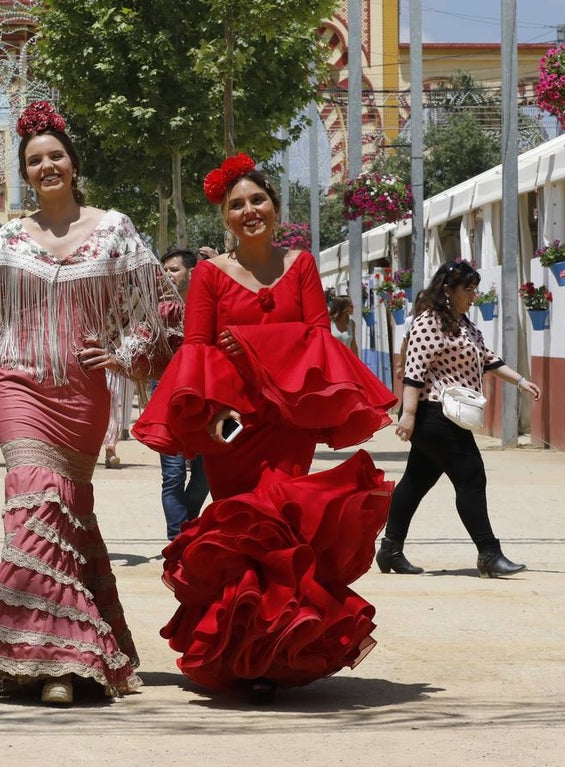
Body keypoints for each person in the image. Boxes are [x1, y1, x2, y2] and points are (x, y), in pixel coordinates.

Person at [134, 154, 398, 701]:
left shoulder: (301, 266)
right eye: (237, 205)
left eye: (258, 200)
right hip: (230, 426)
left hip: (288, 423)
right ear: (224, 217)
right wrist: (214, 417)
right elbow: (199, 350)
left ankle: (277, 649)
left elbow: (319, 340)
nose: (249, 211)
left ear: (276, 207)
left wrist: (255, 347)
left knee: (284, 528)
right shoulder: (208, 274)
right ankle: (245, 654)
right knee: (240, 528)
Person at [0, 101, 180, 705]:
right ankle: (56, 665)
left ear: (73, 164)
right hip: (20, 388)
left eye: (56, 156)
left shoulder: (116, 229)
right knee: (35, 512)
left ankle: (32, 655)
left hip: (82, 397)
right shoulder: (8, 237)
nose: (47, 166)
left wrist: (125, 353)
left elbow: (154, 301)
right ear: (24, 174)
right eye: (34, 161)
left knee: (66, 521)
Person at [382, 260, 540, 578]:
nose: (472, 295)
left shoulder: (462, 323)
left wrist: (521, 381)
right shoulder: (429, 322)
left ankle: (389, 550)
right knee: (471, 476)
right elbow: (414, 371)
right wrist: (408, 415)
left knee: (415, 482)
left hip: (446, 416)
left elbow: (487, 357)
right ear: (447, 290)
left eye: (474, 289)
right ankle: (489, 553)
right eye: (467, 289)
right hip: (432, 414)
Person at [157, 247, 209, 538]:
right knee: (173, 475)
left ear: (192, 272)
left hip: (209, 400)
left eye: (173, 270)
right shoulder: (160, 312)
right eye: (164, 270)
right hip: (167, 396)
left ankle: (186, 527)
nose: (167, 276)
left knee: (206, 475)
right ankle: (178, 538)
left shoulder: (211, 305)